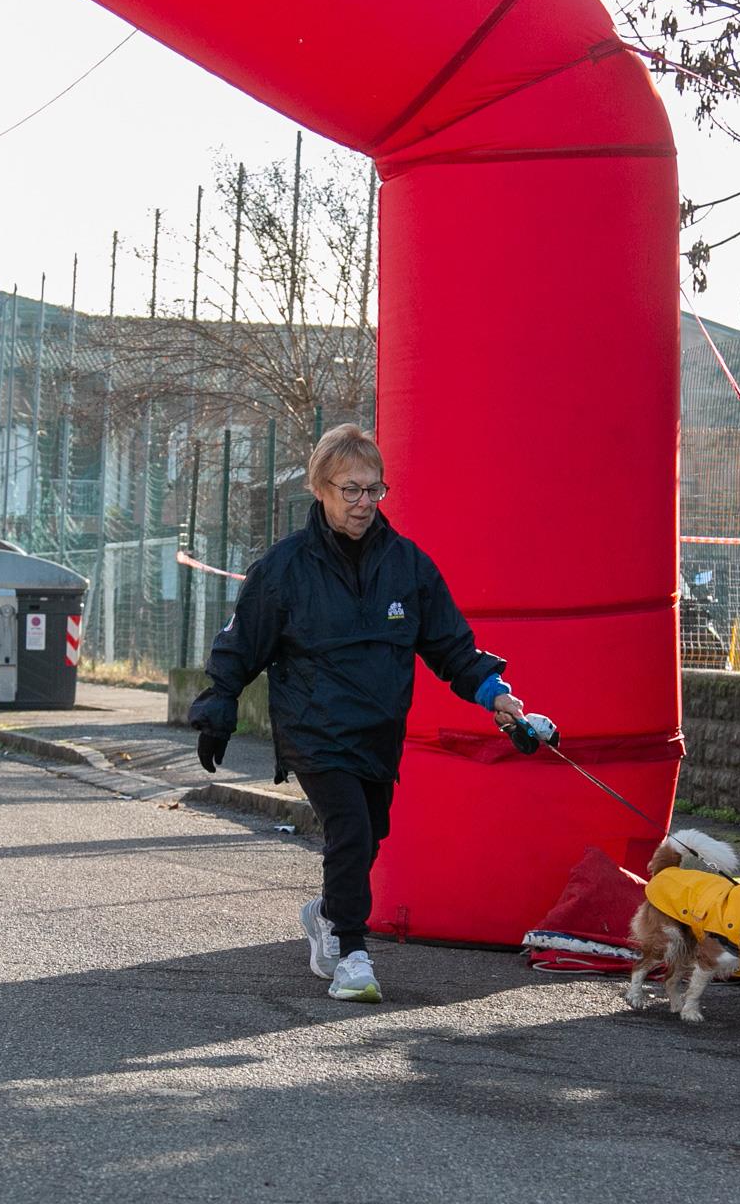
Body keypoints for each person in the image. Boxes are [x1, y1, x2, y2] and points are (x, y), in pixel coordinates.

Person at [189, 424, 532, 1004]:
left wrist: (494, 694)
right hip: (314, 727)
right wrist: (217, 705)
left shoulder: (408, 566)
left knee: (370, 834)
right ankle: (352, 953)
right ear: (319, 489)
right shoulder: (285, 568)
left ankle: (326, 913)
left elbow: (450, 646)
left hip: (377, 730)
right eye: (350, 490)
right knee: (349, 830)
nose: (363, 502)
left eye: (374, 489)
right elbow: (242, 642)